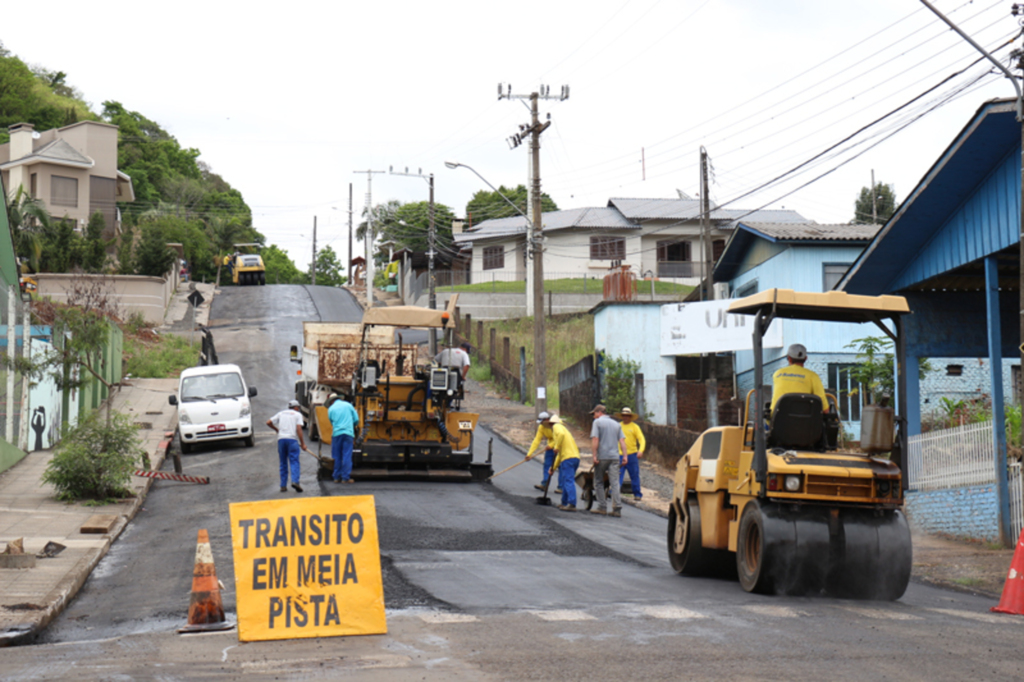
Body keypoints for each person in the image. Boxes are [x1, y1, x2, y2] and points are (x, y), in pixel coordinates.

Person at [590, 404, 626, 517]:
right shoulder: (616, 424)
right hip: (615, 457)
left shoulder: (597, 422)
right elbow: (622, 441)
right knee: (615, 482)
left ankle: (602, 506)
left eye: (594, 414)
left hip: (603, 457)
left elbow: (595, 439)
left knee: (598, 481)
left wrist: (594, 456)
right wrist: (625, 456)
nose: (594, 416)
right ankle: (617, 508)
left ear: (599, 412)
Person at [770, 343, 828, 413]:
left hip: (778, 420)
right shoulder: (813, 376)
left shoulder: (777, 374)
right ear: (805, 358)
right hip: (805, 421)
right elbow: (825, 409)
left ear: (789, 358)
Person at [266, 399, 308, 493]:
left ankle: (283, 485)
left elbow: (268, 422)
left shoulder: (281, 413)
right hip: (292, 440)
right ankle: (295, 481)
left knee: (283, 462)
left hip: (281, 440)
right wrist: (303, 443)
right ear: (296, 407)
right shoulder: (297, 415)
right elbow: (299, 429)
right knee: (294, 461)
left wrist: (277, 430)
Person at [547, 415, 579, 512]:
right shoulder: (566, 432)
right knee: (566, 480)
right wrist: (552, 468)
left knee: (568, 480)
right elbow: (559, 455)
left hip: (568, 459)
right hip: (575, 458)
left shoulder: (557, 427)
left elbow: (560, 435)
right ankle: (564, 502)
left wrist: (556, 447)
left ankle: (572, 503)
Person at [327, 393, 360, 483]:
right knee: (346, 455)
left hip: (337, 434)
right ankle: (345, 478)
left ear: (331, 401)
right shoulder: (348, 405)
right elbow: (356, 419)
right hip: (348, 434)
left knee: (336, 456)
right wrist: (352, 426)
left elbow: (331, 422)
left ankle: (336, 477)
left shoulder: (331, 409)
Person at [617, 407, 646, 500]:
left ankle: (637, 494)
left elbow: (642, 439)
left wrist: (640, 450)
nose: (625, 417)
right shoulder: (618, 426)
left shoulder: (635, 427)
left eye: (627, 416)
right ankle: (615, 491)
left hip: (632, 455)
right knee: (617, 474)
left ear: (630, 416)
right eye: (624, 415)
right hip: (620, 455)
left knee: (634, 475)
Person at [525, 412, 556, 492]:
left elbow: (560, 437)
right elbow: (537, 440)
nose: (541, 424)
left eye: (542, 421)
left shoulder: (556, 425)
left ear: (547, 419)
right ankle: (545, 484)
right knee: (547, 465)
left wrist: (552, 445)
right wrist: (529, 454)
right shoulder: (542, 427)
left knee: (562, 467)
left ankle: (561, 487)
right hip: (550, 448)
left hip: (561, 446)